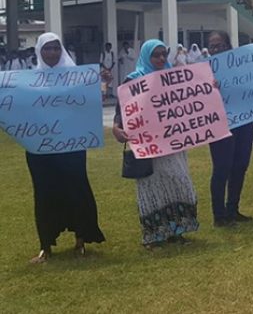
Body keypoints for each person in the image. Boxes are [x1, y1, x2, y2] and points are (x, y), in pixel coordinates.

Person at [26, 33, 105, 263]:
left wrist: (101, 81)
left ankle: (80, 240)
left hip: (71, 148)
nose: (51, 53)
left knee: (77, 190)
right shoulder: (28, 80)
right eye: (47, 49)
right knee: (44, 194)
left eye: (55, 48)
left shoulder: (76, 77)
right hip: (40, 149)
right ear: (39, 51)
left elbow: (88, 105)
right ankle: (45, 246)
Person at [112, 39, 199, 247]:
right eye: (156, 55)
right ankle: (154, 235)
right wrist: (116, 128)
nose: (161, 59)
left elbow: (191, 101)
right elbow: (121, 110)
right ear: (146, 57)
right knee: (152, 187)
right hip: (148, 145)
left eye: (163, 54)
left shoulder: (174, 78)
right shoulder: (133, 80)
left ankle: (176, 230)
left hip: (173, 144)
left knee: (177, 181)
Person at [207, 31, 253, 227]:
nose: (216, 49)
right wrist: (208, 88)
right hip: (220, 125)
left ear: (229, 46)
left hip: (244, 121)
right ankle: (219, 215)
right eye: (212, 46)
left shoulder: (242, 66)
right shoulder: (203, 71)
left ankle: (232, 208)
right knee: (222, 168)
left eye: (220, 45)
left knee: (240, 165)